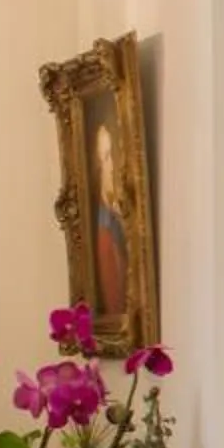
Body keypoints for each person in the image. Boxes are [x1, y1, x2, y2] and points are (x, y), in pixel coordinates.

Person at [91, 117, 130, 318]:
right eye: (106, 158)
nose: (112, 165)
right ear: (99, 167)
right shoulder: (104, 229)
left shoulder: (119, 214)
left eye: (112, 155)